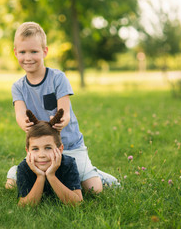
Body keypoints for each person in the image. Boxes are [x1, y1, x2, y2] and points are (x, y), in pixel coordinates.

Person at [6, 21, 119, 193]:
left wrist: (62, 121)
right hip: (41, 149)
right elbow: (20, 112)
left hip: (71, 146)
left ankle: (96, 175)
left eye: (34, 51)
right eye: (22, 52)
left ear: (44, 51)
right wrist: (24, 123)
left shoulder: (57, 78)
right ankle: (16, 171)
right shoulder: (18, 87)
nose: (28, 57)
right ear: (15, 53)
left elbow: (64, 111)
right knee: (15, 185)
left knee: (94, 190)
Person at [17, 109, 83, 206]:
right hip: (27, 168)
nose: (42, 155)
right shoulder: (24, 167)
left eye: (48, 148)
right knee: (10, 184)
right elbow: (24, 206)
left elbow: (77, 203)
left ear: (60, 150)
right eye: (35, 149)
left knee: (95, 187)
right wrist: (40, 176)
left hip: (80, 168)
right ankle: (12, 175)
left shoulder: (68, 164)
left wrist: (51, 175)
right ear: (28, 151)